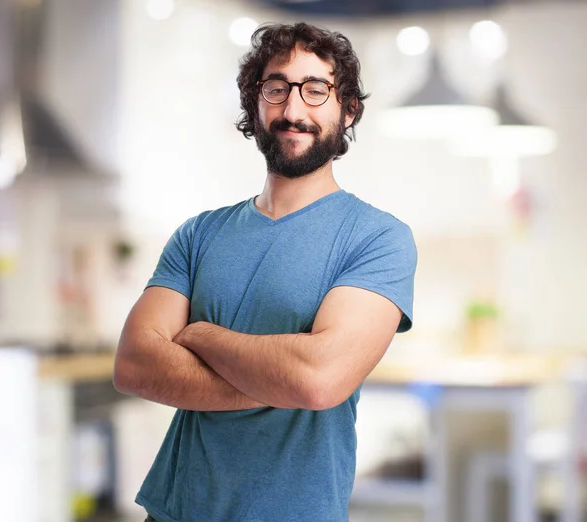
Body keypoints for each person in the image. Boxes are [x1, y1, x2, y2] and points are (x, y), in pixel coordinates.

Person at [113, 21, 417, 522]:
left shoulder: (376, 237)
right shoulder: (199, 234)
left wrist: (201, 335)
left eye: (316, 90)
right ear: (255, 104)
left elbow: (319, 378)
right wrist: (279, 381)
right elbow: (134, 364)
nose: (293, 110)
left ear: (349, 107)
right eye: (276, 89)